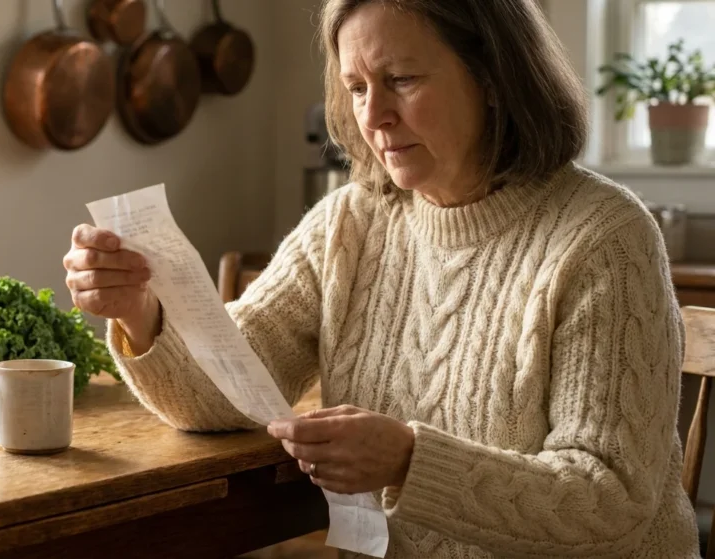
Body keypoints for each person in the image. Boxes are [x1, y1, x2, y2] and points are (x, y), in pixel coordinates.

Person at [62, 0, 700, 557]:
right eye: (358, 88)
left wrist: (408, 461)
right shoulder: (350, 221)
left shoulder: (604, 238)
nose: (376, 117)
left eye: (400, 79)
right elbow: (227, 394)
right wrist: (139, 310)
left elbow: (610, 503)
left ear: (495, 78)